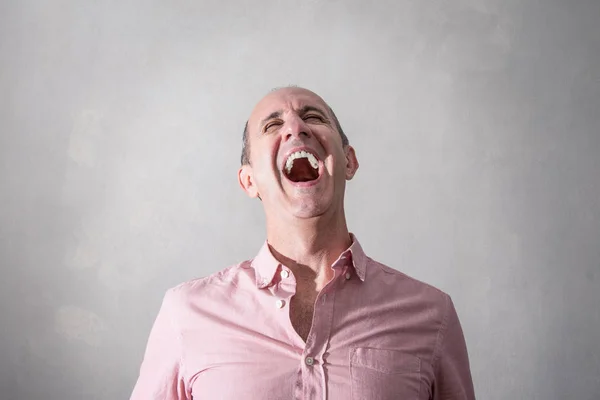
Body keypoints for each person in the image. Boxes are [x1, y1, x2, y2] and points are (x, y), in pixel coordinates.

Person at [130, 86, 476, 399]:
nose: (296, 128)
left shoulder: (431, 315)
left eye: (313, 117)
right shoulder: (187, 313)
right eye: (272, 125)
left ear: (349, 161)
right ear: (249, 181)